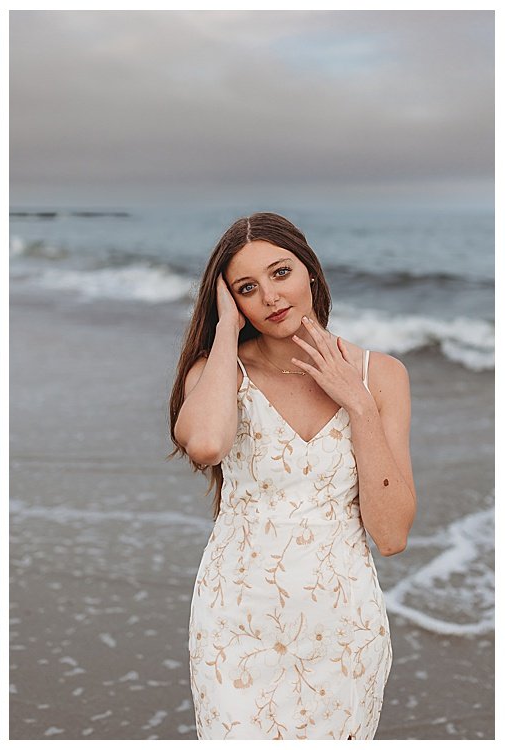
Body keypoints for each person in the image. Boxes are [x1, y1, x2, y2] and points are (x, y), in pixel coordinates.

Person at [168, 212, 414, 739]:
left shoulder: (381, 376)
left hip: (343, 629)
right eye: (247, 288)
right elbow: (208, 444)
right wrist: (227, 336)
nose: (271, 298)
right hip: (236, 626)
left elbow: (391, 534)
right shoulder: (216, 373)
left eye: (281, 273)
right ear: (230, 301)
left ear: (310, 271)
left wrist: (359, 404)